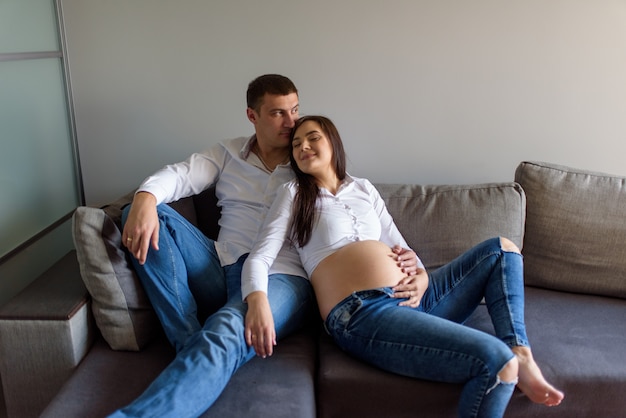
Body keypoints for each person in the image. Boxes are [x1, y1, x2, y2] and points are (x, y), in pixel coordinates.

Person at [111, 75, 421, 418]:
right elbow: (182, 175)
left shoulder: (307, 161)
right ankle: (188, 341)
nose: (291, 123)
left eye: (295, 110)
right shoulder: (227, 153)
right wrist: (145, 198)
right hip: (220, 264)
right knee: (139, 214)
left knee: (227, 330)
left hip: (281, 277)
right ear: (252, 116)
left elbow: (351, 216)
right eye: (278, 113)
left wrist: (407, 262)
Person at [242, 115, 565, 418]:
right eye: (296, 144)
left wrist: (422, 275)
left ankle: (521, 349)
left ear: (333, 143)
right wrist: (257, 299)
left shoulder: (364, 189)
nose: (302, 147)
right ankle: (511, 359)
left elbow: (402, 247)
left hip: (415, 298)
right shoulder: (294, 193)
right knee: (497, 364)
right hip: (363, 312)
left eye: (312, 138)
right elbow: (260, 256)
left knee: (502, 249)